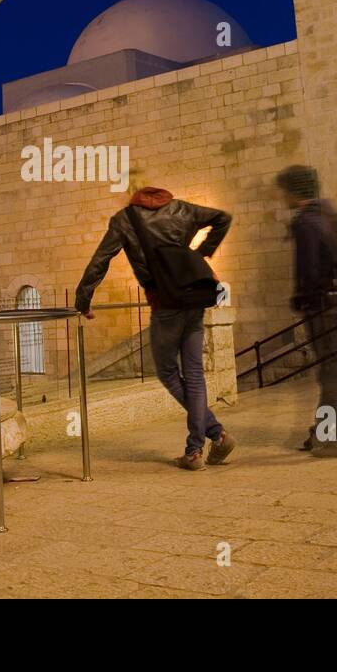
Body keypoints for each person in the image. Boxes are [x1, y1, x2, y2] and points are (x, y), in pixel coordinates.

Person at [74, 186, 235, 470]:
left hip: (165, 303)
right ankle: (206, 443)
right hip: (193, 299)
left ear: (134, 198)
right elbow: (222, 218)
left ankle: (205, 444)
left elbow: (101, 260)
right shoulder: (182, 209)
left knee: (168, 372)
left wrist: (83, 300)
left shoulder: (124, 219)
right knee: (194, 373)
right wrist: (201, 254)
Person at [276, 165, 337, 458]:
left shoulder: (306, 222)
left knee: (332, 368)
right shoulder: (329, 215)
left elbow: (309, 269)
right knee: (328, 368)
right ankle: (326, 430)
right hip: (335, 301)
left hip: (321, 305)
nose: (281, 197)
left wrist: (301, 299)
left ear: (293, 191)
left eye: (283, 191)